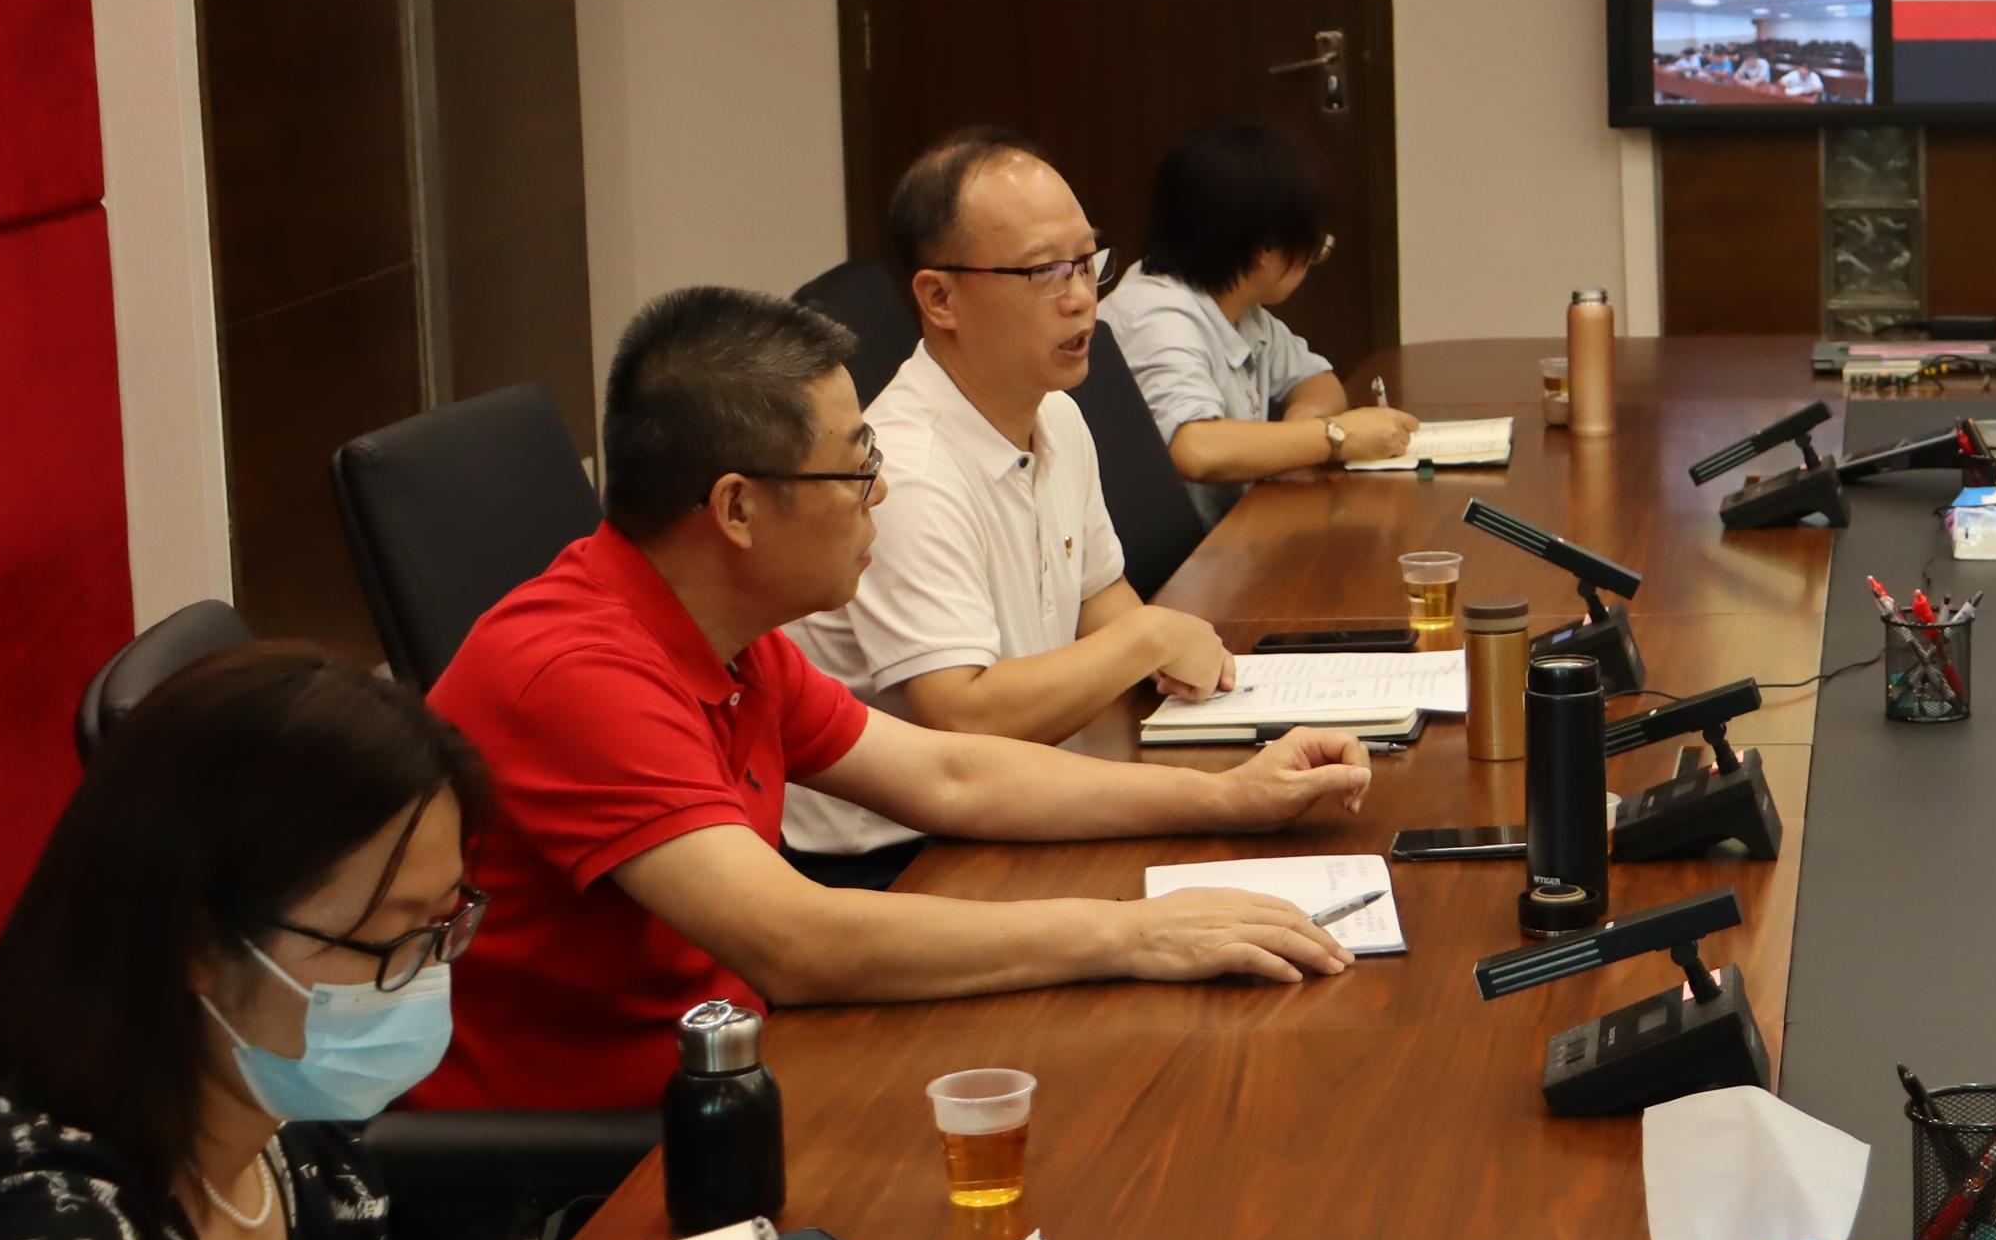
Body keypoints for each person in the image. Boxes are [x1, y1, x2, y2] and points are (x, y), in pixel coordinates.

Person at [0, 649, 873, 1240]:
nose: (424, 978)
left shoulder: (289, 1118)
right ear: (196, 941)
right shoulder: (21, 1186)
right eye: (390, 938)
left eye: (444, 925)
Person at [413, 286, 1373, 1115]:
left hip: (737, 1061)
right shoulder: (579, 672)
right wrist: (1137, 930)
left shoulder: (724, 627)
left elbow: (949, 774)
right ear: (737, 508)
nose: (879, 496)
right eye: (857, 467)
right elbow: (799, 941)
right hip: (614, 1145)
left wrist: (1229, 797)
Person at [783, 130, 1247, 878]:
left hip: (1016, 791)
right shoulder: (906, 472)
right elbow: (962, 716)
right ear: (939, 297)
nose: (1081, 296)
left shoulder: (1054, 409)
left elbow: (1096, 593)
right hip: (903, 857)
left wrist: (1208, 678)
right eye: (1044, 272)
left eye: (1087, 262)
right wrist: (1149, 639)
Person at [1103, 120, 1420, 526]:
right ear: (1265, 249)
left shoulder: (1238, 308)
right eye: (1312, 245)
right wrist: (1334, 437)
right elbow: (1196, 448)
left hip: (1229, 538)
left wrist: (1300, 433)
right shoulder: (1156, 317)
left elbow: (1317, 381)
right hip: (1180, 558)